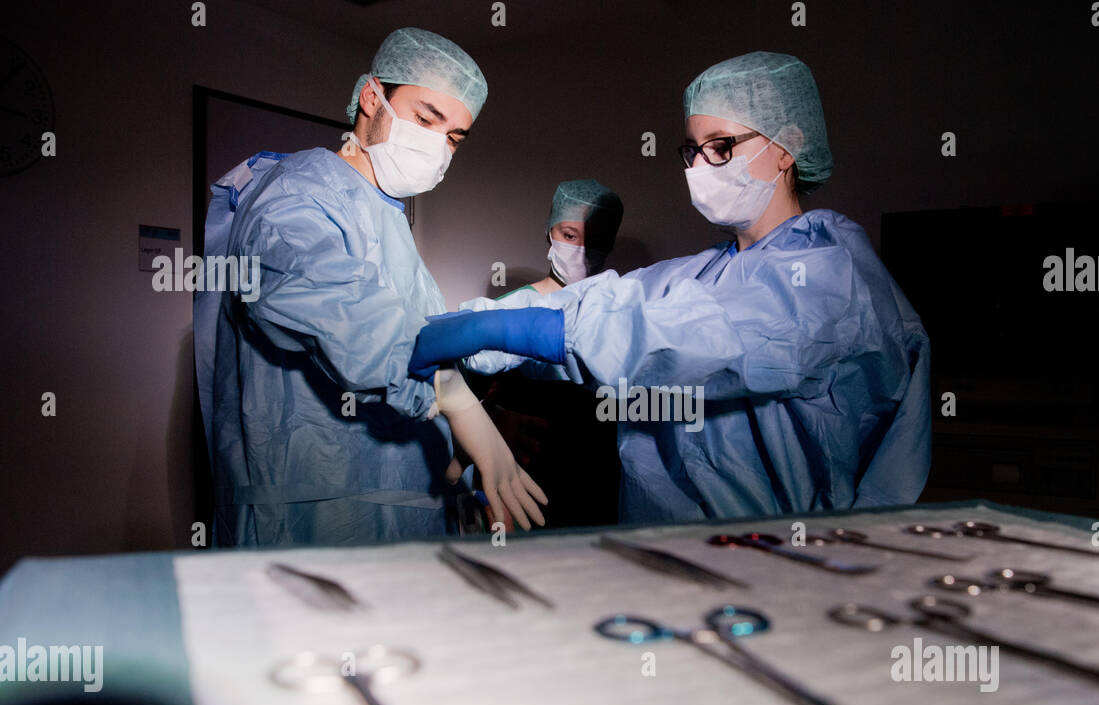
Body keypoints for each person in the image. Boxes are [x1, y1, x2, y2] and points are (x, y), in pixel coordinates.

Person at [409, 51, 931, 524]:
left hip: (778, 553)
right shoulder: (703, 273)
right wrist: (475, 327)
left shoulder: (829, 276)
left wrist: (512, 327)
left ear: (787, 147)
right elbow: (601, 300)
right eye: (692, 150)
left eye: (721, 147)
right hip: (665, 546)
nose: (700, 167)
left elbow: (674, 339)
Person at [206, 27, 546, 547]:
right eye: (426, 117)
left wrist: (464, 425)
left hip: (399, 502)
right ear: (371, 96)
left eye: (453, 136)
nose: (436, 144)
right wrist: (456, 402)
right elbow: (341, 310)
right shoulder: (294, 195)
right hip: (316, 513)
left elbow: (417, 331)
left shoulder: (383, 214)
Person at [469, 180, 625, 526]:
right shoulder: (511, 310)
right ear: (549, 231)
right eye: (569, 235)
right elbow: (465, 401)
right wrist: (491, 423)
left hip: (603, 480)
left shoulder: (624, 309)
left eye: (595, 239)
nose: (581, 249)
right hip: (528, 475)